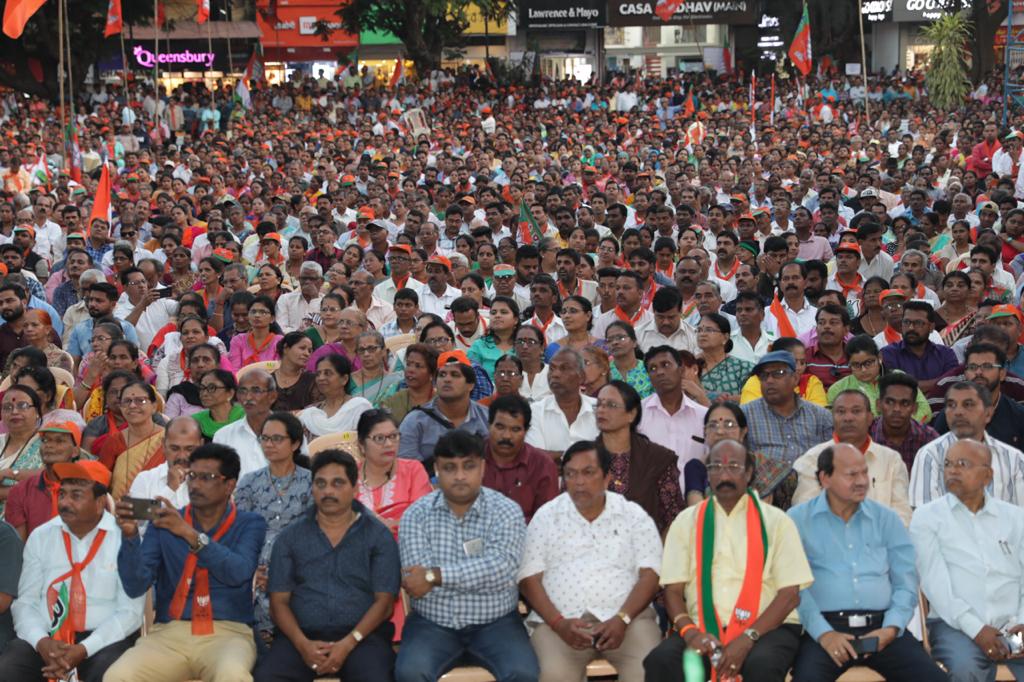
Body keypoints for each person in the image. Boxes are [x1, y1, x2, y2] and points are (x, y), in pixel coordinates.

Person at [643, 439, 814, 682]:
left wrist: (747, 638)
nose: (724, 475)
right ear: (707, 473)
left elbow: (789, 595)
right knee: (662, 660)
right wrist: (690, 632)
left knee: (761, 665)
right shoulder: (686, 521)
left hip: (767, 628)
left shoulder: (777, 521)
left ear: (749, 472)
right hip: (701, 627)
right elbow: (673, 590)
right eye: (715, 467)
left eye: (733, 466)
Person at [106, 443, 268, 682]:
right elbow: (135, 585)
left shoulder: (250, 523)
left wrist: (188, 533)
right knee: (118, 676)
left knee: (232, 675)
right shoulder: (164, 522)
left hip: (228, 633)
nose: (195, 484)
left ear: (229, 485)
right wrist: (130, 537)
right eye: (192, 476)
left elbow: (238, 572)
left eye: (207, 477)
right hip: (169, 634)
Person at [787, 443, 946, 682]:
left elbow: (906, 582)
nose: (862, 481)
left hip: (883, 629)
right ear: (825, 478)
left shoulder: (887, 519)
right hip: (826, 630)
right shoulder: (797, 520)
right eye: (852, 474)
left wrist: (891, 629)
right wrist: (824, 634)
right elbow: (795, 588)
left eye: (864, 472)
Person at [394, 430, 539, 682]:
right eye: (450, 467)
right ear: (437, 470)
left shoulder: (505, 511)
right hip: (432, 622)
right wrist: (475, 577)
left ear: (482, 468)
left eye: (468, 466)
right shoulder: (416, 515)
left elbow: (503, 569)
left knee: (524, 673)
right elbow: (417, 584)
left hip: (497, 622)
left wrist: (435, 575)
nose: (460, 476)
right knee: (409, 673)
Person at [518, 440, 662, 682]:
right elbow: (528, 577)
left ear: (607, 477)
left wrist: (622, 618)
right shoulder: (547, 516)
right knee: (553, 675)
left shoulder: (632, 515)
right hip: (561, 624)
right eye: (570, 474)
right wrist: (558, 623)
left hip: (628, 621)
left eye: (588, 473)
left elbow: (652, 574)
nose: (579, 482)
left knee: (649, 672)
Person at [254, 448, 399, 682]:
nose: (328, 491)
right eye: (320, 483)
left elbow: (385, 604)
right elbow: (278, 602)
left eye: (338, 483)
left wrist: (348, 644)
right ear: (312, 489)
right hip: (300, 639)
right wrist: (303, 646)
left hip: (363, 639)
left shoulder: (377, 536)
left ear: (355, 489)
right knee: (267, 677)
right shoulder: (291, 537)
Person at [0, 460, 143, 682]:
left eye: (76, 495)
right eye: (62, 494)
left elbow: (130, 613)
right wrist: (41, 643)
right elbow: (25, 603)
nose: (65, 502)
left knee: (109, 673)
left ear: (99, 503)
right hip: (49, 638)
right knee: (9, 668)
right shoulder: (41, 536)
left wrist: (84, 648)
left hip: (103, 640)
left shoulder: (125, 538)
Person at [910, 438, 1024, 681]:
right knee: (965, 669)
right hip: (955, 627)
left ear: (987, 476)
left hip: (1013, 624)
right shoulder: (927, 518)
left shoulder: (1016, 518)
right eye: (948, 464)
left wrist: (1022, 624)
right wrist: (978, 630)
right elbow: (936, 586)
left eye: (963, 464)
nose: (953, 470)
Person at [235, 412, 312, 649]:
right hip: (257, 562)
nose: (269, 445)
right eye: (264, 438)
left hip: (297, 561)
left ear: (295, 443)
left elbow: (315, 534)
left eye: (277, 439)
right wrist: (252, 566)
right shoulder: (249, 482)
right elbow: (240, 530)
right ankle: (263, 636)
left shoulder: (312, 481)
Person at [791, 390, 913, 525]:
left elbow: (902, 516)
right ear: (833, 418)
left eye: (856, 411)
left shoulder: (891, 461)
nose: (848, 418)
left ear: (870, 418)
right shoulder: (812, 460)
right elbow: (806, 517)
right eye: (841, 412)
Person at [909, 381, 1024, 507]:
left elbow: (1020, 518)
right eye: (951, 405)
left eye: (968, 405)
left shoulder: (1013, 458)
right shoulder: (930, 455)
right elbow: (926, 518)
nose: (958, 412)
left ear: (988, 414)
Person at [596, 380, 684, 534]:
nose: (602, 410)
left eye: (611, 405)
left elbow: (673, 519)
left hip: (647, 551)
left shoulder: (658, 459)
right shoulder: (583, 458)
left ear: (631, 414)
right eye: (599, 404)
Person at [397, 350, 489, 471]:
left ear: (470, 385)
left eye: (455, 375)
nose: (447, 380)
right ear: (435, 383)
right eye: (442, 375)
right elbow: (407, 470)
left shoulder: (487, 417)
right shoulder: (415, 421)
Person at [742, 351, 833, 464]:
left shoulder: (820, 416)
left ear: (795, 378)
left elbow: (832, 459)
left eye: (778, 373)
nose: (769, 380)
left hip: (808, 479)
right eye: (764, 375)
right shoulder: (745, 415)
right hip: (765, 480)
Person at [931, 342, 1024, 452]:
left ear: (1002, 374)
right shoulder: (951, 415)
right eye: (973, 367)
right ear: (965, 374)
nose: (979, 372)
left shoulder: (1019, 416)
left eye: (987, 366)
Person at [482, 395, 558, 523]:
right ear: (489, 426)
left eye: (515, 429)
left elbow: (546, 521)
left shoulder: (542, 465)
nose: (506, 436)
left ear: (526, 431)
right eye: (500, 427)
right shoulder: (470, 458)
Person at [4, 420, 84, 541]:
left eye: (59, 441)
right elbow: (19, 546)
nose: (49, 445)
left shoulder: (89, 490)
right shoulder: (21, 491)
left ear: (75, 451)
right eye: (45, 440)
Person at [638, 345, 709, 477]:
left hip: (694, 495)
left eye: (665, 365)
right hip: (650, 495)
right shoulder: (638, 414)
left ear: (681, 370)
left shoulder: (703, 415)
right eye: (653, 369)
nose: (660, 372)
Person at [826, 335, 932, 422]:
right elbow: (834, 422)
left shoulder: (899, 378)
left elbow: (925, 411)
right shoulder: (838, 389)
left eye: (868, 363)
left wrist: (899, 427)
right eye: (856, 365)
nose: (863, 370)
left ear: (879, 358)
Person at [525, 348, 599, 458]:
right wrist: (586, 459)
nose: (555, 374)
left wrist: (555, 457)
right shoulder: (535, 411)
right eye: (552, 368)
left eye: (564, 368)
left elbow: (606, 456)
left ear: (581, 377)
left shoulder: (599, 409)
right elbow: (536, 459)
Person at [127, 417, 203, 518]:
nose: (182, 456)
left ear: (201, 446)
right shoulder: (144, 479)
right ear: (163, 446)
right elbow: (137, 521)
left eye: (189, 449)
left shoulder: (212, 481)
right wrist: (170, 489)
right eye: (175, 449)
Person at [880, 300, 958, 394]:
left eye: (918, 323)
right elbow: (895, 388)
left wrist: (910, 385)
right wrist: (939, 382)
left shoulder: (946, 354)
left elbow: (952, 384)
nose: (911, 328)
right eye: (907, 322)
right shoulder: (888, 353)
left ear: (932, 327)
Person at [213, 369, 280, 477]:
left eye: (256, 391)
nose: (248, 397)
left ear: (272, 396)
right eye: (243, 391)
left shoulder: (289, 432)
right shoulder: (223, 436)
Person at [299, 354, 373, 439]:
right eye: (318, 374)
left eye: (327, 373)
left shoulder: (359, 407)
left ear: (344, 379)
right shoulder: (310, 414)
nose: (321, 378)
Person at [0, 386, 46, 516]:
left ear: (37, 411)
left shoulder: (49, 445)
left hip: (28, 521)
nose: (14, 411)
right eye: (7, 407)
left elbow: (50, 481)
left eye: (23, 405)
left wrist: (9, 474)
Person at [697, 312, 753, 402]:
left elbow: (753, 398)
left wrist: (727, 399)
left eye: (709, 330)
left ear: (725, 338)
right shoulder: (689, 365)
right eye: (699, 330)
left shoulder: (742, 367)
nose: (702, 334)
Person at [380, 344, 439, 424]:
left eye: (418, 366)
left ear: (432, 374)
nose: (410, 370)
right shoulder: (392, 402)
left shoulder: (442, 401)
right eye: (408, 364)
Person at [228, 296, 283, 371]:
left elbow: (278, 366)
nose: (257, 315)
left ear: (272, 318)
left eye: (263, 312)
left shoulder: (279, 341)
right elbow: (234, 369)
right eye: (253, 312)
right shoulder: (238, 340)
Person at [271, 332, 320, 412]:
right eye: (302, 348)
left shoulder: (313, 381)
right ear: (286, 348)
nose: (307, 354)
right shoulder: (266, 380)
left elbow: (316, 413)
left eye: (310, 351)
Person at [605, 320, 653, 398]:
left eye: (621, 338)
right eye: (610, 340)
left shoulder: (648, 369)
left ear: (634, 342)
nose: (615, 342)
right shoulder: (604, 371)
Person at [192, 369, 245, 439]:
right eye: (202, 388)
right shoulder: (195, 421)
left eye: (212, 388)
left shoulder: (246, 417)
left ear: (230, 393)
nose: (204, 393)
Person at [351, 331, 401, 406]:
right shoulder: (349, 381)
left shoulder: (396, 380)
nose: (366, 354)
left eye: (371, 348)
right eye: (361, 350)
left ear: (383, 351)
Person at [275, 261, 323, 333]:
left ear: (321, 281)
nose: (307, 282)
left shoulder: (328, 302)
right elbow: (280, 327)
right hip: (292, 341)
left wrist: (315, 298)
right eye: (304, 278)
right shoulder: (285, 299)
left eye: (312, 279)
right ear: (299, 279)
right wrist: (298, 332)